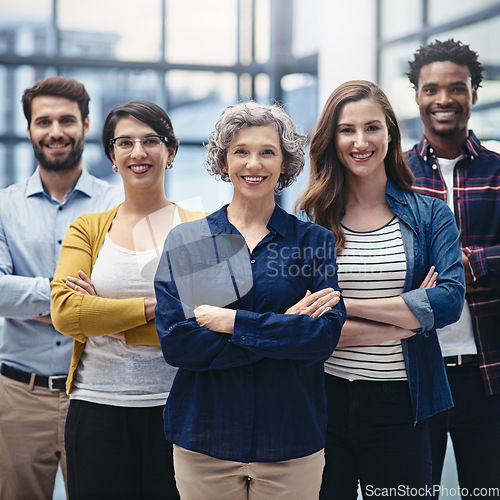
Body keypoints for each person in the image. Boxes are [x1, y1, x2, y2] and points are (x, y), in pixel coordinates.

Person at [153, 101, 346, 500]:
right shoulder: (190, 241)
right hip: (203, 439)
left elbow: (319, 340)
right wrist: (283, 326)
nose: (253, 164)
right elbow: (178, 344)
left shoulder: (313, 243)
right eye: (241, 151)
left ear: (284, 164)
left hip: (290, 442)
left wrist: (231, 322)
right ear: (224, 162)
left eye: (266, 152)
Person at [295, 80, 465, 499]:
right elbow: (304, 326)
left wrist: (344, 304)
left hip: (404, 404)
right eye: (346, 130)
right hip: (324, 402)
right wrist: (407, 318)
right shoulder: (312, 220)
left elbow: (447, 303)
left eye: (371, 127)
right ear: (332, 140)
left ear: (390, 132)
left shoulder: (430, 214)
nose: (360, 141)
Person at [50, 100, 205, 499]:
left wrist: (108, 318)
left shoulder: (197, 229)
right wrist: (161, 306)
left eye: (151, 140)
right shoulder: (87, 228)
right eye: (125, 143)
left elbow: (204, 325)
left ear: (169, 152)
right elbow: (67, 313)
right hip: (96, 409)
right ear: (112, 156)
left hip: (179, 411)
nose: (138, 152)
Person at [0, 76, 123, 499]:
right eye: (44, 121)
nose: (56, 131)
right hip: (18, 396)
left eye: (66, 120)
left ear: (85, 125)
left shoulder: (117, 205)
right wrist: (73, 303)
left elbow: (119, 291)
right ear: (30, 129)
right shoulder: (3, 207)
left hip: (96, 390)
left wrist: (31, 298)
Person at [405, 39, 500, 495]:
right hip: (412, 373)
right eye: (431, 89)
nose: (444, 100)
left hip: (487, 376)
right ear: (417, 95)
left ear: (474, 93)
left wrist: (467, 265)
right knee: (409, 490)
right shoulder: (394, 179)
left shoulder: (499, 173)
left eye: (456, 88)